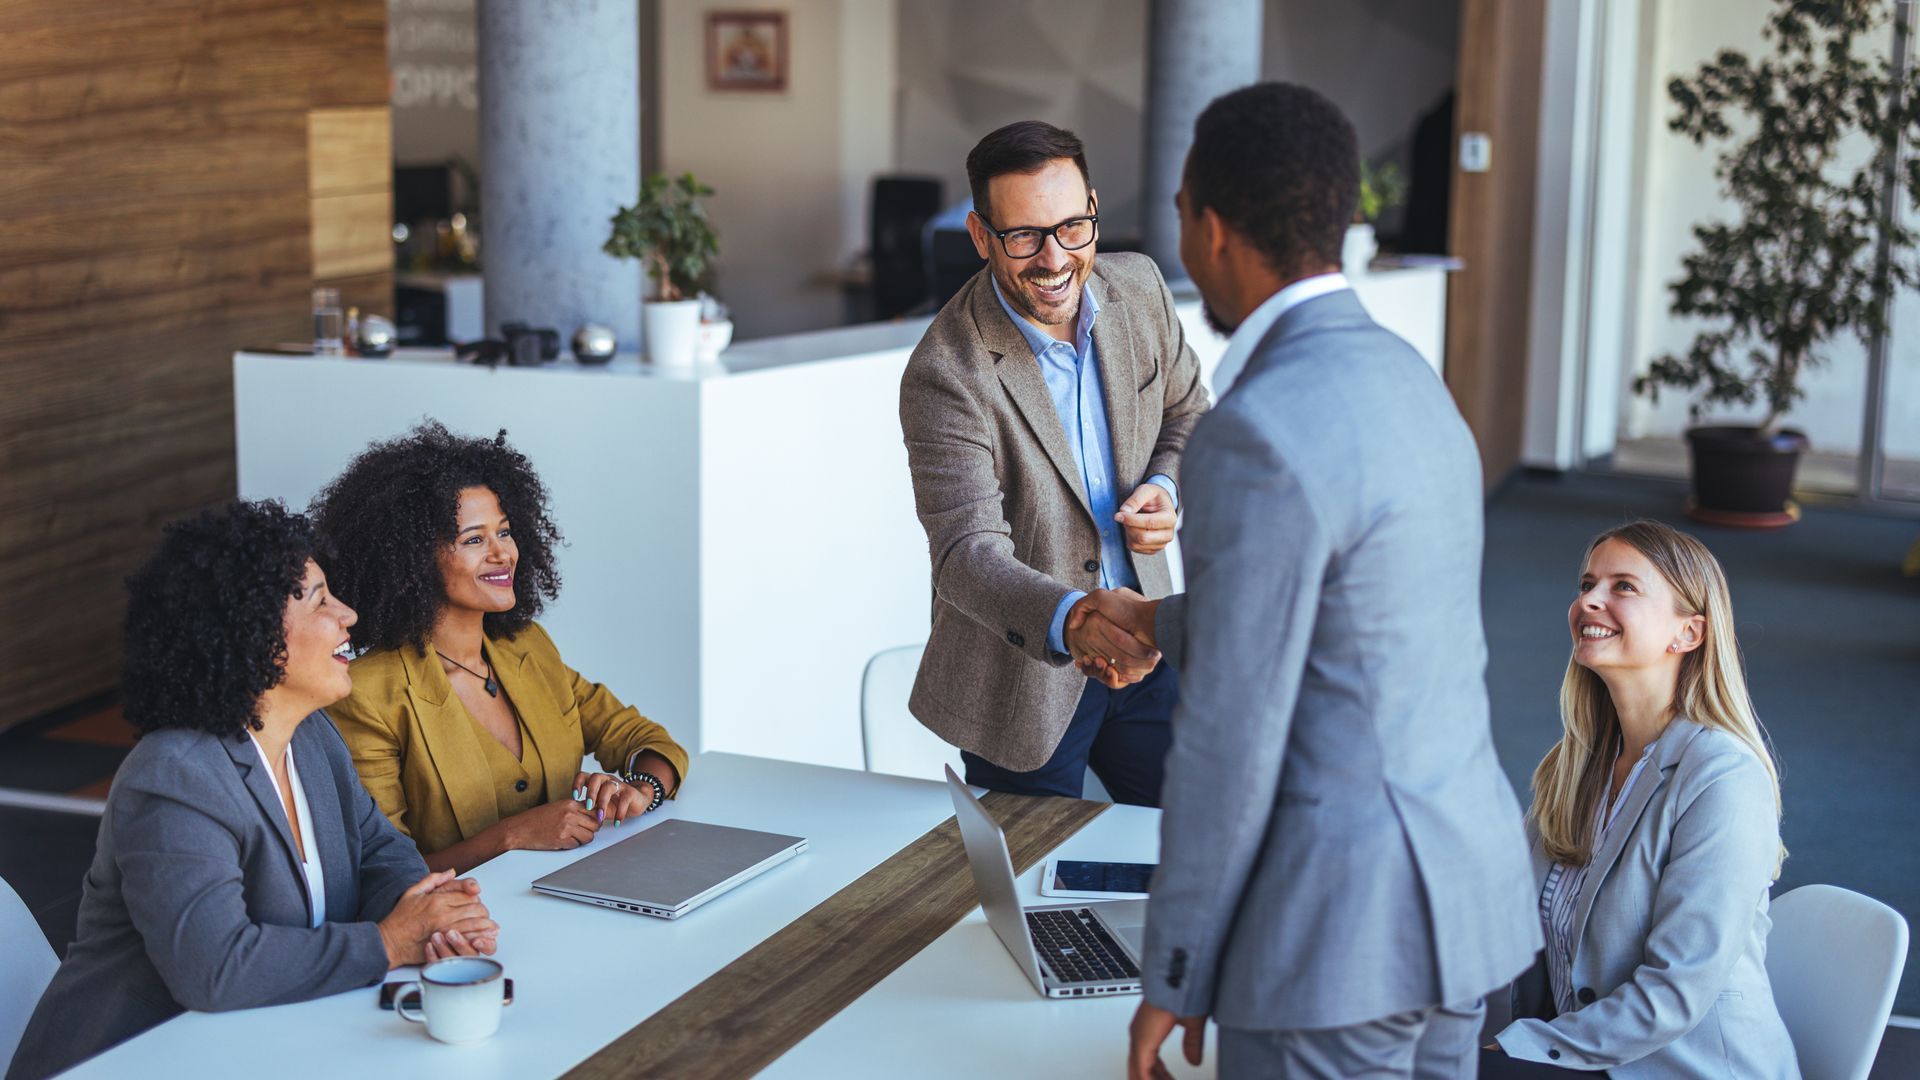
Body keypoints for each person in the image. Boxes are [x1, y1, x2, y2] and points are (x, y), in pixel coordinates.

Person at [1075, 83, 1538, 1079]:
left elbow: (1230, 740)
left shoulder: (1256, 428)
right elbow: (1360, 622)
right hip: (1463, 900)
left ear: (1213, 228)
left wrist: (1175, 968)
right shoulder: (1411, 379)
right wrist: (1159, 618)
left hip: (1337, 940)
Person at [7, 502, 495, 1080]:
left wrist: (428, 915)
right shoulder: (173, 775)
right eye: (319, 600)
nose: (349, 615)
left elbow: (381, 852)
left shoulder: (311, 736)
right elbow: (214, 968)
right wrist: (388, 943)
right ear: (254, 636)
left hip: (266, 1045)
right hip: (133, 1062)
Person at [898, 120, 1208, 805]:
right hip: (1020, 681)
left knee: (1189, 848)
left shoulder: (1142, 291)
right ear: (981, 236)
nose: (1054, 258)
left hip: (1148, 638)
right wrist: (1074, 617)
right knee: (1030, 896)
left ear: (1093, 208)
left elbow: (1190, 412)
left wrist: (1166, 488)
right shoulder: (946, 370)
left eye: (1072, 227)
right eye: (1023, 236)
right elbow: (965, 554)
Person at [1481, 521, 1798, 1078]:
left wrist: (1519, 1047)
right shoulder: (1575, 765)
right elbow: (1507, 912)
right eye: (1587, 584)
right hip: (1585, 1054)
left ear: (1689, 633)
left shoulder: (1722, 778)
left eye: (1622, 586)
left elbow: (1674, 992)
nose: (1589, 600)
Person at [313, 422, 689, 873]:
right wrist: (511, 837)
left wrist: (640, 789)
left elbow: (645, 739)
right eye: (474, 539)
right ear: (412, 559)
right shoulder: (368, 696)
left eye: (505, 532)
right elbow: (384, 870)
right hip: (469, 927)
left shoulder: (527, 648)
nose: (503, 553)